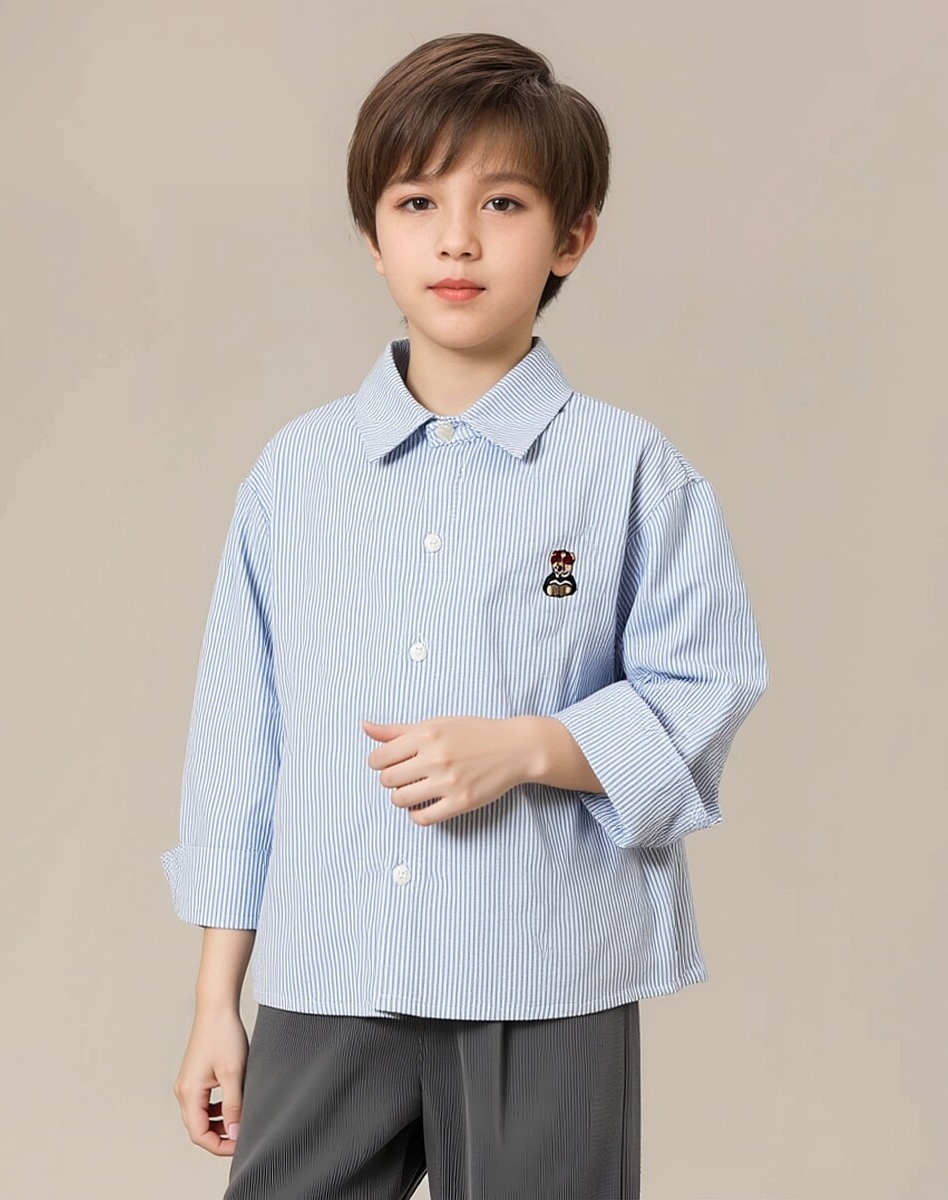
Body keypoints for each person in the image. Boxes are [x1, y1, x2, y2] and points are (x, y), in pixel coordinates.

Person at [161, 30, 769, 1200]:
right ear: (373, 236)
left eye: (502, 202)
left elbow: (703, 695)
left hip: (544, 978)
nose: (456, 239)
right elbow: (241, 751)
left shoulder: (631, 472)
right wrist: (214, 1002)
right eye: (417, 202)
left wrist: (533, 747)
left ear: (571, 239)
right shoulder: (295, 477)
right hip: (330, 972)